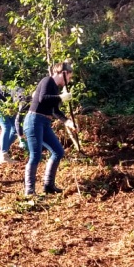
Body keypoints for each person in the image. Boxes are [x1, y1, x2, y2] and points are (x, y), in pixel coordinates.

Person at [23, 61, 78, 196]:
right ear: (64, 73)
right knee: (35, 155)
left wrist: (68, 122)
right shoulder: (47, 80)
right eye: (69, 77)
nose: (69, 81)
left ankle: (48, 185)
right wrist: (60, 97)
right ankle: (29, 191)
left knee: (58, 151)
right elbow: (42, 99)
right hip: (34, 120)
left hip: (45, 122)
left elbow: (54, 110)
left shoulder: (54, 87)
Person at [0, 85, 29, 163]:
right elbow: (19, 120)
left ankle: (4, 151)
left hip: (7, 103)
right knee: (6, 126)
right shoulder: (23, 101)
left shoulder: (28, 100)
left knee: (14, 129)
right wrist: (21, 138)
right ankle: (3, 155)